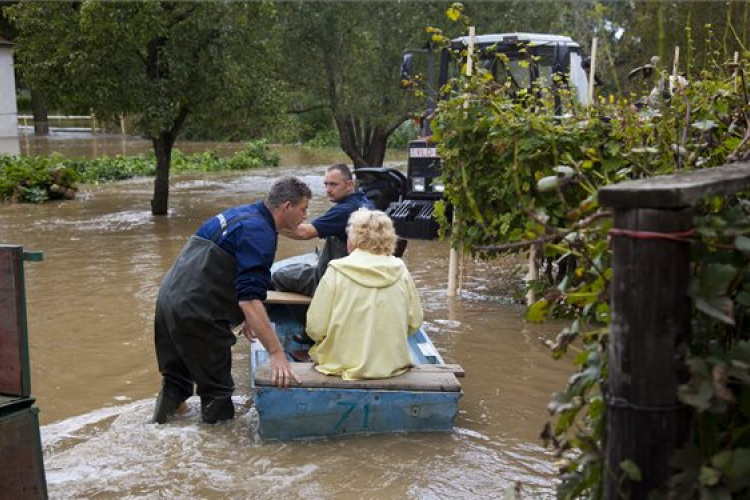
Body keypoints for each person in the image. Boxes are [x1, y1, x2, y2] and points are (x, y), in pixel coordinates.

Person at [153, 176, 312, 425]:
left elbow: (232, 274)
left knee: (176, 381)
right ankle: (217, 453)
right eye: (304, 209)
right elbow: (249, 299)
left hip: (167, 301)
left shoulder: (241, 215)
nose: (305, 216)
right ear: (287, 206)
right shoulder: (260, 233)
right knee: (217, 391)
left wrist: (247, 314)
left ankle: (157, 429)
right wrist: (277, 354)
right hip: (197, 311)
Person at [306, 208, 423, 380]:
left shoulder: (336, 270)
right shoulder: (401, 270)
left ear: (353, 239)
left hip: (340, 365)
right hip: (392, 365)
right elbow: (415, 323)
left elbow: (316, 328)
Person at [273, 164, 374, 297]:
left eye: (333, 184)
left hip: (331, 281)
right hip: (357, 275)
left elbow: (304, 232)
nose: (328, 189)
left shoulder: (344, 210)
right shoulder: (366, 202)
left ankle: (299, 315)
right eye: (326, 184)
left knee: (278, 275)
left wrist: (274, 221)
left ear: (349, 185)